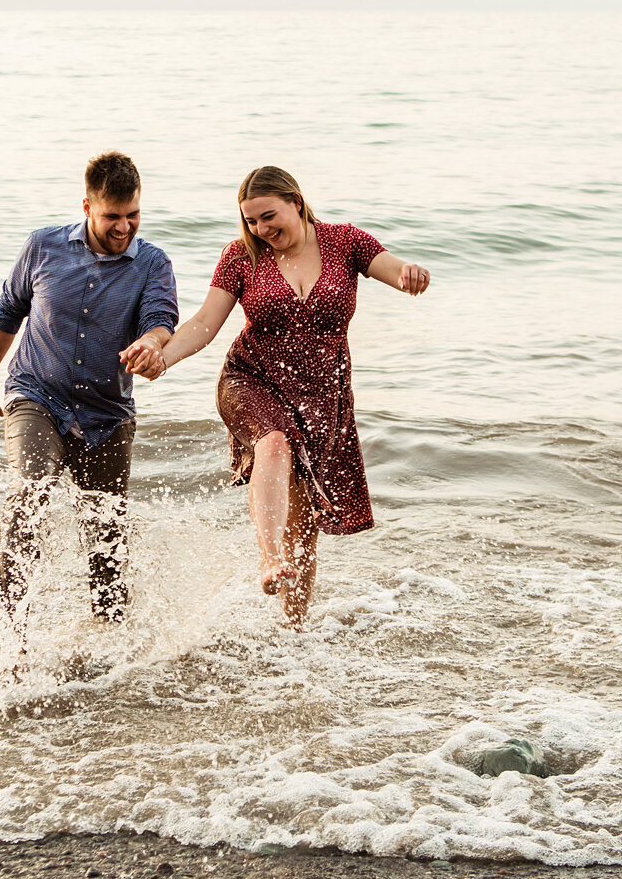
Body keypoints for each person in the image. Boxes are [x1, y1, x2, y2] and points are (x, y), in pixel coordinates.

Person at [126, 166, 429, 627]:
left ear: (296, 202)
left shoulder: (346, 242)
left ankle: (293, 629)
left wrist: (408, 272)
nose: (261, 230)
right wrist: (163, 358)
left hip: (321, 396)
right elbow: (205, 325)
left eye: (269, 217)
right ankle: (269, 559)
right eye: (251, 221)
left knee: (304, 526)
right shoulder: (240, 257)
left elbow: (391, 267)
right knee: (273, 442)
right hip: (251, 378)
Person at [0, 152, 178, 627]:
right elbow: (7, 312)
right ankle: (12, 635)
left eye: (134, 215)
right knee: (28, 497)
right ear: (87, 206)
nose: (124, 227)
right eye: (112, 216)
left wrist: (150, 345)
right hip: (36, 395)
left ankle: (110, 650)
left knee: (106, 541)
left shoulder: (152, 264)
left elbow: (160, 320)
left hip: (107, 414)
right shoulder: (43, 247)